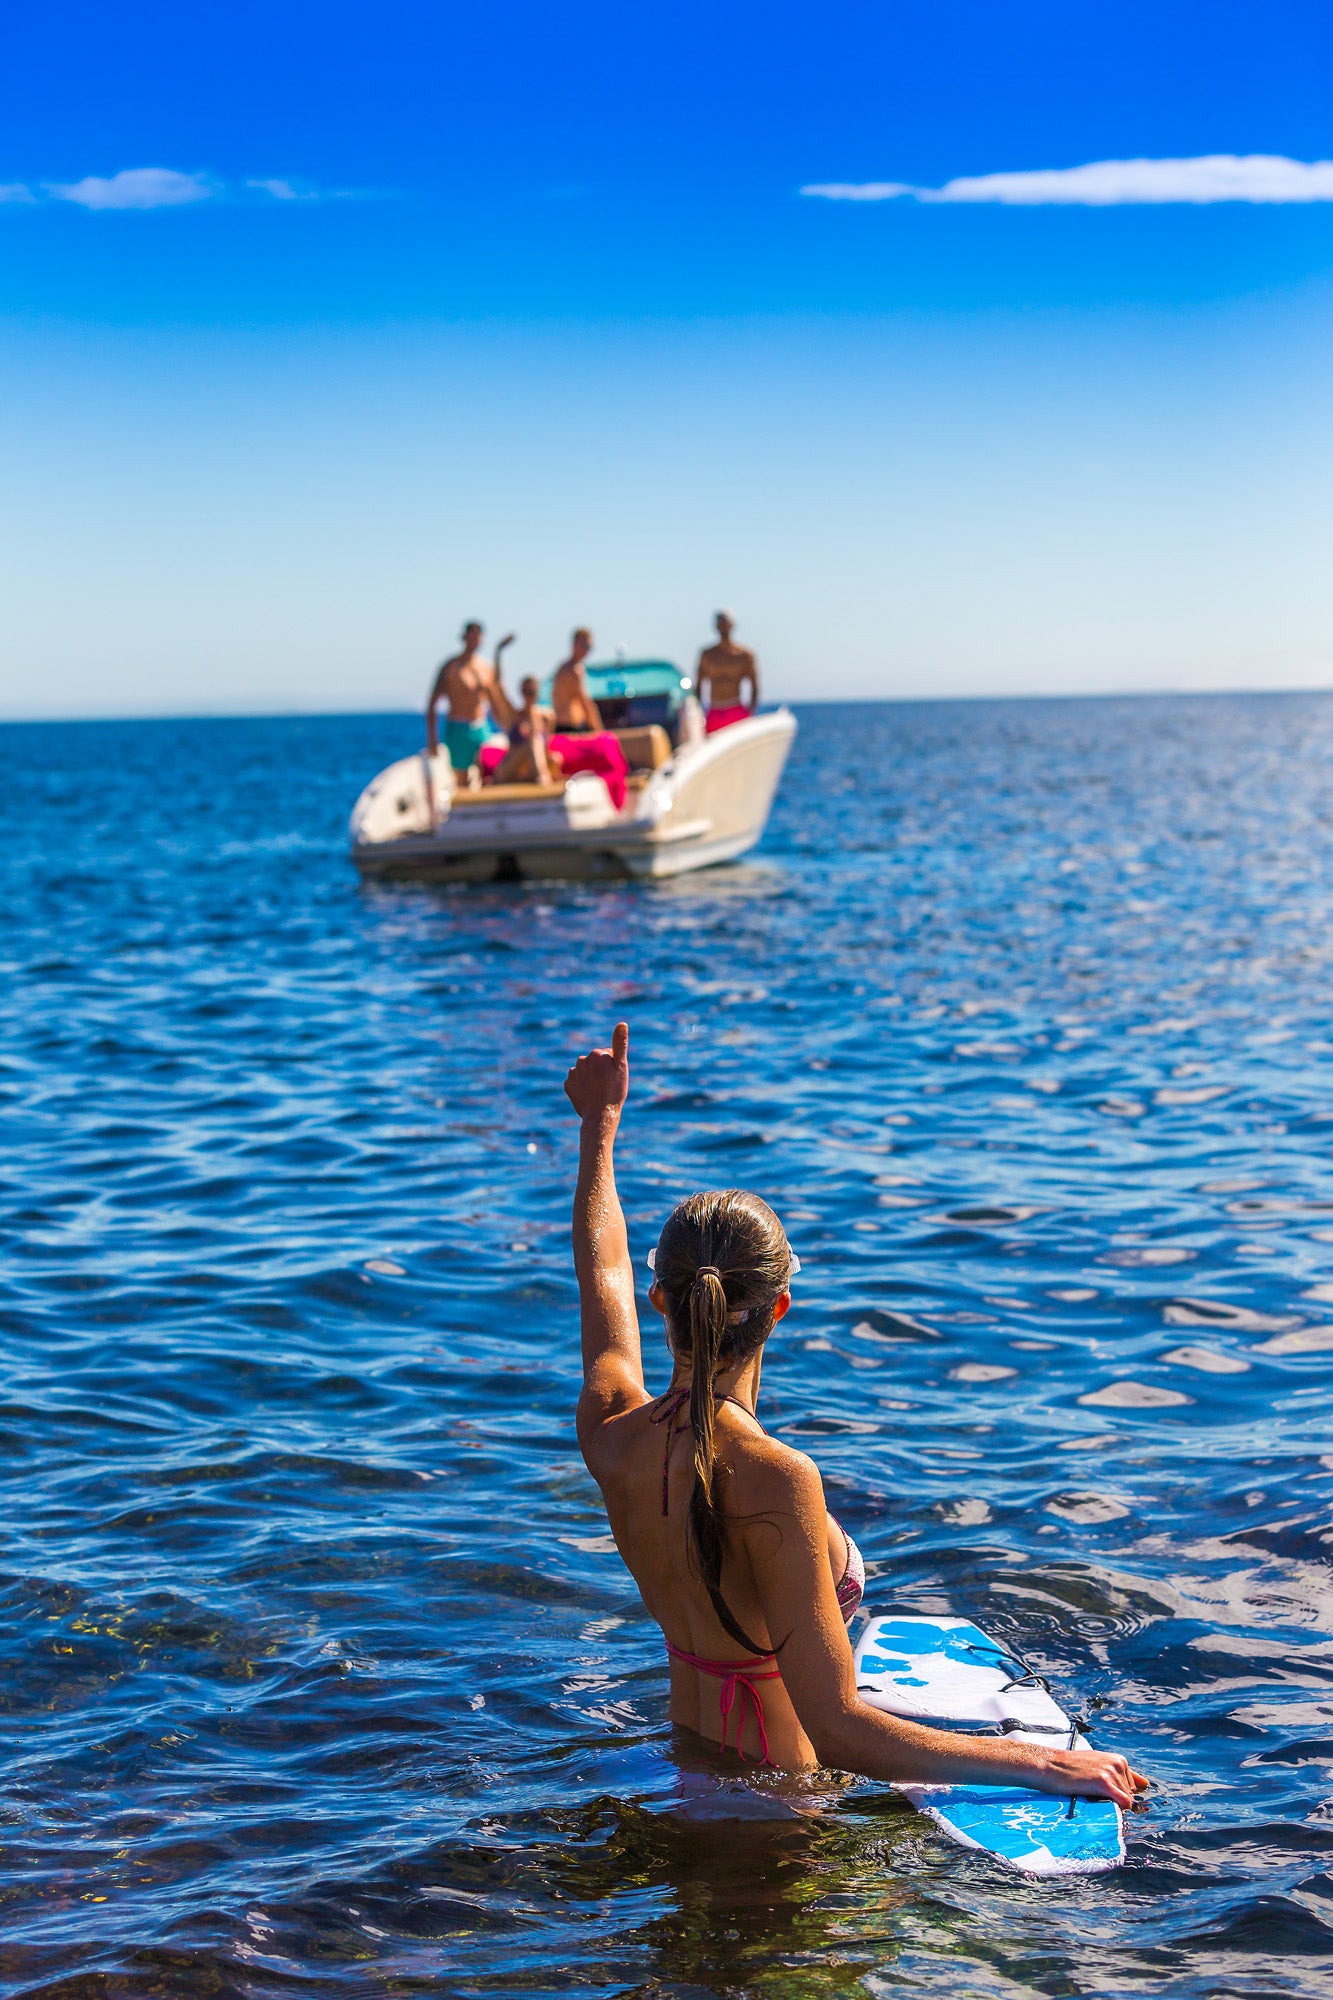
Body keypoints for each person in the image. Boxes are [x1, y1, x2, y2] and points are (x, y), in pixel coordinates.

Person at [564, 1023, 1150, 1803]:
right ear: (778, 1309)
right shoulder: (777, 1476)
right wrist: (1044, 1763)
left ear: (661, 1302)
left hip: (683, 1776)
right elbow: (837, 1727)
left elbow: (598, 1265)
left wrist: (597, 1131)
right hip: (781, 1812)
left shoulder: (611, 1433)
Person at [424, 623, 515, 805]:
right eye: (471, 635)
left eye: (478, 636)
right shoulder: (450, 667)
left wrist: (508, 730)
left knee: (488, 770)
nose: (475, 639)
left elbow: (495, 703)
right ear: (464, 637)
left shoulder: (485, 667)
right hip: (458, 728)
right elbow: (432, 704)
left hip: (481, 727)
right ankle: (462, 817)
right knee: (461, 778)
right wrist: (432, 740)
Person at [484, 676, 562, 787]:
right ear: (521, 693)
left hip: (530, 769)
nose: (529, 696)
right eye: (527, 692)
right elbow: (498, 691)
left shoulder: (548, 717)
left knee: (556, 758)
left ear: (537, 693)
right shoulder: (514, 716)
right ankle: (542, 777)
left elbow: (546, 747)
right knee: (533, 740)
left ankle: (539, 776)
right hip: (510, 769)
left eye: (532, 691)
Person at [695, 610, 759, 734]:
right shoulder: (707, 655)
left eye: (725, 623)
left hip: (736, 710)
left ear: (732, 625)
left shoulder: (744, 655)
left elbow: (754, 684)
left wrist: (750, 710)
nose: (723, 627)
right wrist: (699, 712)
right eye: (720, 623)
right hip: (714, 711)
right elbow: (698, 685)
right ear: (716, 626)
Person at [551, 629, 603, 734]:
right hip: (568, 727)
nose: (586, 650)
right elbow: (584, 702)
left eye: (589, 647)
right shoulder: (573, 670)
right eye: (583, 646)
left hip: (568, 726)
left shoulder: (565, 666)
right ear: (574, 644)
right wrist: (599, 732)